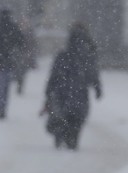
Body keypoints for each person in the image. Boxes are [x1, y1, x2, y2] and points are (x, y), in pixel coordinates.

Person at [43, 22, 103, 150]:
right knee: (77, 118)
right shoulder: (87, 56)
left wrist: (48, 91)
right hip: (80, 94)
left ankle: (61, 133)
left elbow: (54, 75)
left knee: (62, 115)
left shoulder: (63, 55)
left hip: (62, 93)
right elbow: (93, 74)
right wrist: (97, 88)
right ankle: (72, 138)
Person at [12, 19, 39, 94]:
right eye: (22, 23)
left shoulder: (30, 34)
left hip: (26, 57)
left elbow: (33, 45)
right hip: (17, 56)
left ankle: (20, 87)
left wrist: (31, 55)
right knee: (17, 71)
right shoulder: (16, 32)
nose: (23, 25)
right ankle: (17, 81)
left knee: (22, 73)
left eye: (25, 24)